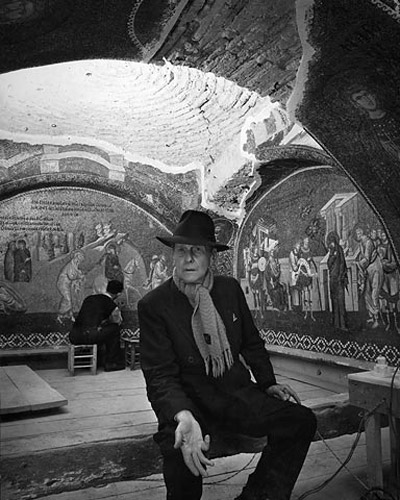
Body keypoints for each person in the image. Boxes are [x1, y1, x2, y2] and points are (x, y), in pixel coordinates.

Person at [138, 210, 317, 500]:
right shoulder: (154, 305)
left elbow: (251, 342)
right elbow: (160, 376)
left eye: (197, 251)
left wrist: (268, 382)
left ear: (211, 256)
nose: (188, 259)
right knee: (180, 451)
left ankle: (259, 495)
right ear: (173, 255)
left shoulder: (229, 290)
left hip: (235, 395)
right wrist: (184, 417)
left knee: (301, 420)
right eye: (181, 250)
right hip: (188, 401)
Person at [69, 279, 125, 372]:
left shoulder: (89, 298)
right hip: (90, 336)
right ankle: (111, 363)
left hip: (74, 336)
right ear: (118, 294)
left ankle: (86, 361)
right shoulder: (110, 303)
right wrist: (118, 309)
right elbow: (117, 321)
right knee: (114, 329)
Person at [326, 231, 348, 330]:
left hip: (338, 279)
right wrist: (333, 256)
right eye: (329, 242)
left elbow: (343, 264)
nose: (330, 243)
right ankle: (336, 324)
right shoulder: (332, 251)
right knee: (334, 302)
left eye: (331, 241)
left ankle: (342, 325)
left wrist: (341, 276)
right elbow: (329, 264)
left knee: (340, 302)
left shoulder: (339, 249)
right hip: (333, 279)